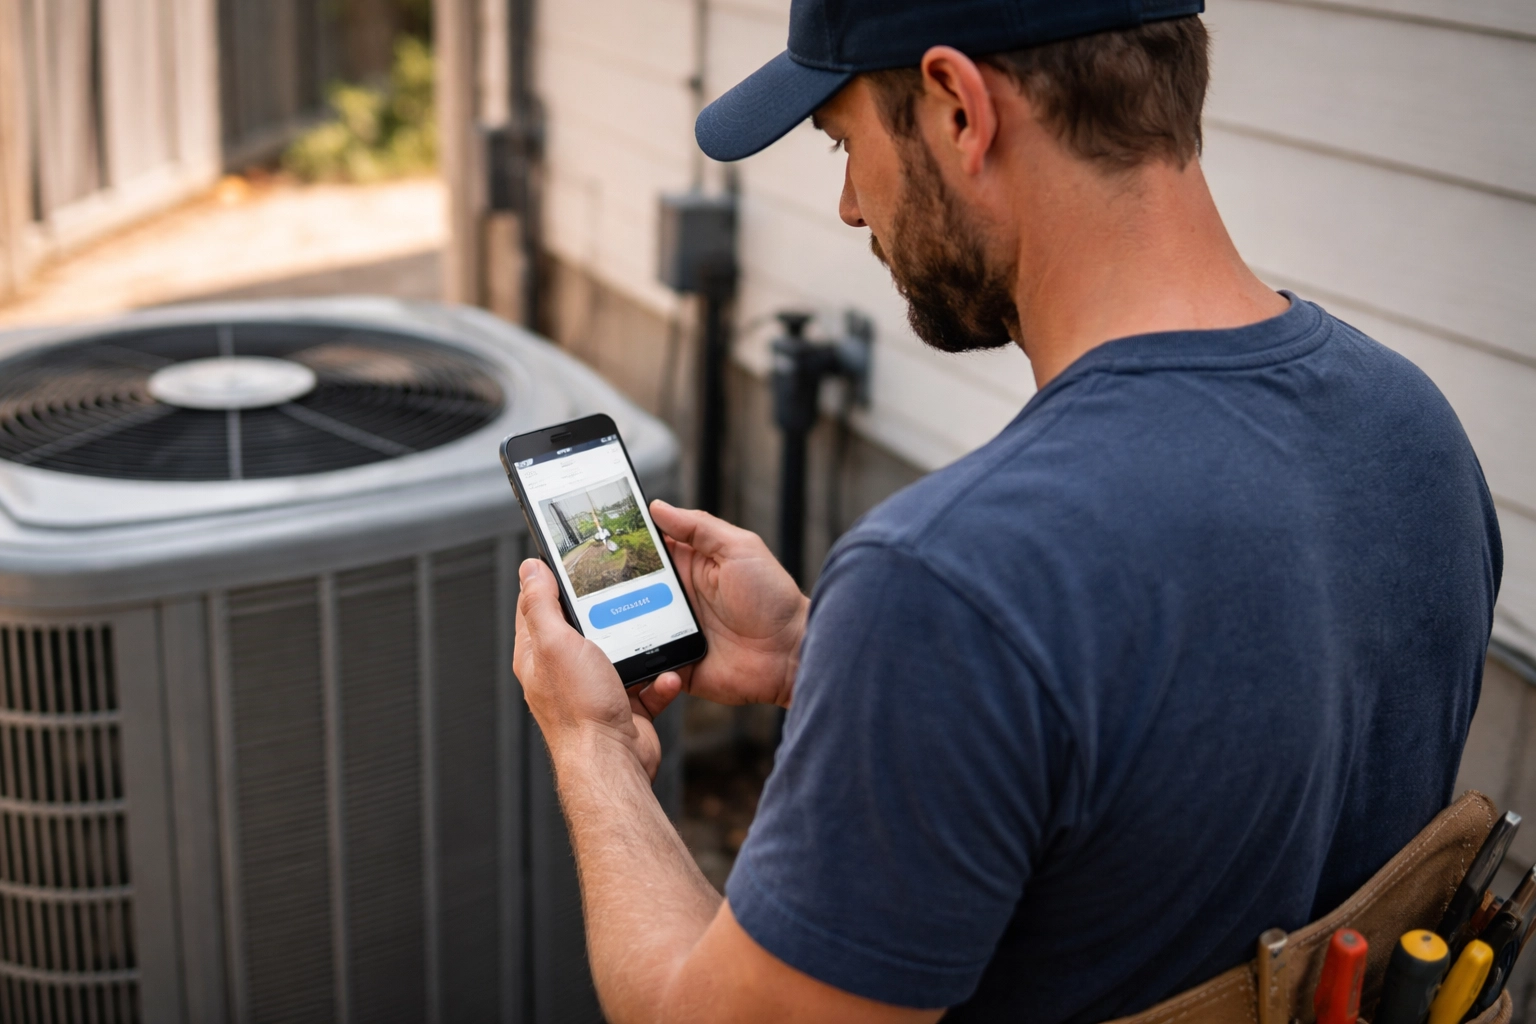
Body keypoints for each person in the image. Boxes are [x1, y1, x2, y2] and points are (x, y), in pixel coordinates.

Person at [511, 1, 1503, 1021]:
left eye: (846, 143)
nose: (850, 206)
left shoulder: (952, 584)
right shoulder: (1413, 432)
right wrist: (828, 658)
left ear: (958, 109)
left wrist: (593, 745)